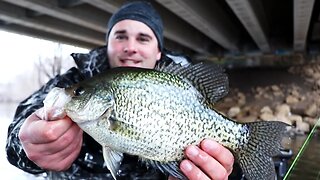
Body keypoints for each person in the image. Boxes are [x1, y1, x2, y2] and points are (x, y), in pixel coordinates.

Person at [6, 1, 235, 179]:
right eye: (120, 36)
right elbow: (20, 126)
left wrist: (222, 172)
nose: (130, 47)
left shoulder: (185, 85)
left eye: (143, 38)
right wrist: (27, 144)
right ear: (108, 43)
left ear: (158, 52)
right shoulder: (78, 79)